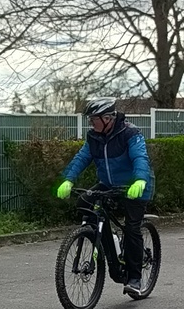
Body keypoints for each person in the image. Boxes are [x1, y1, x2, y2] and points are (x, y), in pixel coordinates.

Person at [56, 97, 156, 295]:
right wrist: (68, 180)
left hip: (134, 186)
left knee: (132, 228)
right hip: (109, 185)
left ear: (108, 118)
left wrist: (139, 180)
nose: (91, 123)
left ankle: (134, 279)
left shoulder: (130, 133)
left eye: (94, 119)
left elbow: (140, 158)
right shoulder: (94, 137)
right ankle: (103, 241)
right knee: (84, 202)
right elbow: (81, 158)